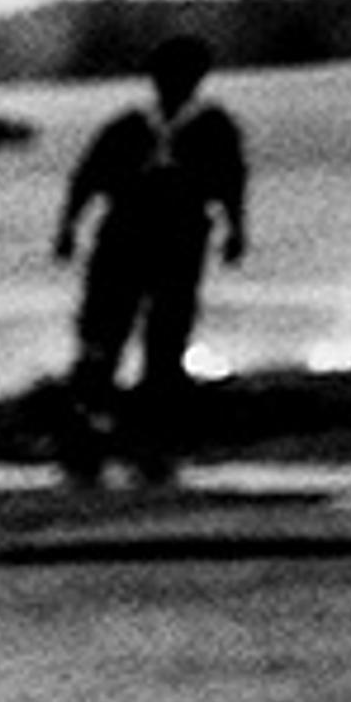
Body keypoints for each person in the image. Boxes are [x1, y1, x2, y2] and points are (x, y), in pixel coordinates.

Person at [50, 31, 250, 486]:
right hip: (126, 239)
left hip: (176, 242)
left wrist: (237, 230)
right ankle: (90, 427)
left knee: (165, 337)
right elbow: (87, 177)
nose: (173, 81)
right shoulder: (130, 126)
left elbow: (232, 179)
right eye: (168, 73)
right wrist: (67, 228)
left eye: (183, 73)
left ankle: (151, 432)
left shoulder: (211, 126)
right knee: (103, 335)